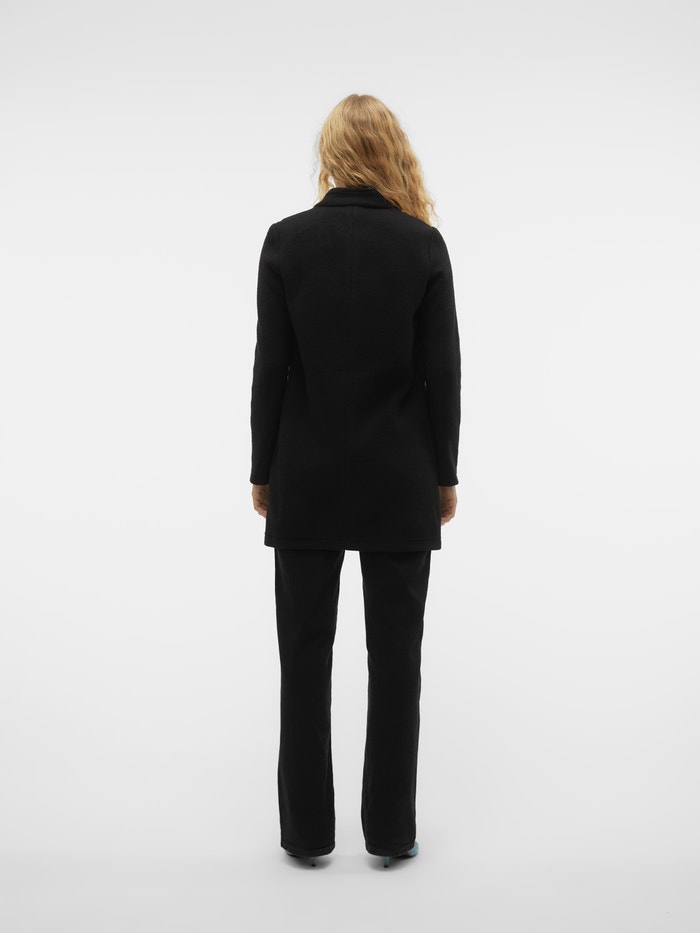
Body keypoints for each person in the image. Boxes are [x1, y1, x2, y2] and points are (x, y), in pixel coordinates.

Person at [249, 93, 461, 868]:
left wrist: (263, 469)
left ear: (332, 154)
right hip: (400, 478)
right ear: (390, 151)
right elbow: (442, 374)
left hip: (305, 476)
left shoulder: (286, 241)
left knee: (303, 658)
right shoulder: (423, 246)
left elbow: (271, 369)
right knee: (397, 662)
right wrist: (444, 473)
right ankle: (391, 831)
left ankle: (307, 834)